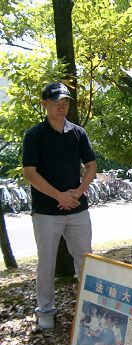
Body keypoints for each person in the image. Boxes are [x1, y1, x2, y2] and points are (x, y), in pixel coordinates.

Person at [22, 82, 97, 329]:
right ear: (44, 104)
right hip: (46, 212)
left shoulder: (78, 133)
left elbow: (91, 165)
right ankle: (45, 310)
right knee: (46, 263)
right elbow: (30, 173)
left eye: (65, 102)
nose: (61, 107)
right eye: (55, 102)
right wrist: (58, 196)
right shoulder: (34, 135)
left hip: (78, 208)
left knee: (86, 259)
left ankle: (89, 306)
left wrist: (79, 190)